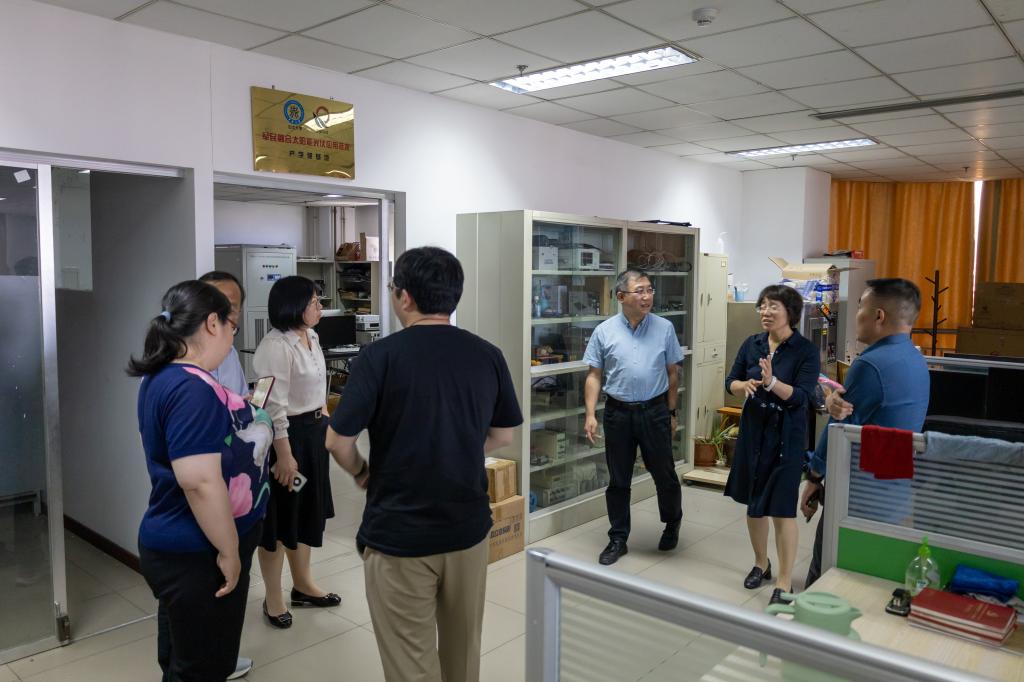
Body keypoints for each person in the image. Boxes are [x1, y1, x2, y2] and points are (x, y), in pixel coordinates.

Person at [326, 247, 522, 682]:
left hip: (400, 535)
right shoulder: (487, 354)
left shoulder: (379, 357)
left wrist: (362, 472)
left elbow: (337, 442)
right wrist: (460, 446)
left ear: (405, 297)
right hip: (467, 530)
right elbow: (504, 434)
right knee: (462, 658)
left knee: (410, 667)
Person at [128, 280, 273, 681]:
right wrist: (229, 551)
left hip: (178, 543)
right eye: (231, 327)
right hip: (198, 551)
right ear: (212, 323)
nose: (231, 337)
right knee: (203, 668)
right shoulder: (191, 388)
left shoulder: (162, 376)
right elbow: (199, 482)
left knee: (182, 658)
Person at [802, 278, 930, 587]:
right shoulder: (915, 359)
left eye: (861, 307)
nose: (857, 314)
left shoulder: (870, 365)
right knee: (864, 578)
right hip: (895, 491)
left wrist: (814, 478)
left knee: (825, 577)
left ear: (879, 316)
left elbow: (840, 428)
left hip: (858, 495)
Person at [253, 276, 339, 630]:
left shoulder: (311, 336)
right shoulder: (276, 346)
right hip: (287, 441)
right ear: (293, 306)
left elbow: (318, 388)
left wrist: (326, 421)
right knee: (280, 518)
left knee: (305, 512)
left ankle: (303, 585)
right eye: (314, 301)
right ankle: (273, 597)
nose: (320, 306)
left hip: (313, 435)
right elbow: (272, 406)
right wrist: (285, 456)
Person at [724, 284, 819, 605]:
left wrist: (772, 382)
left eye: (772, 306)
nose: (765, 311)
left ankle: (784, 581)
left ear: (790, 312)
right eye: (762, 306)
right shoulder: (752, 344)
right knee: (754, 504)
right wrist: (743, 385)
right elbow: (730, 381)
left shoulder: (805, 350)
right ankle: (760, 563)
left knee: (781, 509)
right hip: (753, 432)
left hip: (786, 436)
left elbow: (802, 397)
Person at [582, 269, 684, 566]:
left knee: (664, 474)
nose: (647, 296)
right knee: (618, 479)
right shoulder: (604, 331)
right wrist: (590, 414)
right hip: (618, 413)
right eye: (640, 290)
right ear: (621, 296)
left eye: (649, 290)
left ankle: (672, 522)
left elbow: (673, 373)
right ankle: (618, 537)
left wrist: (671, 412)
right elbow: (594, 375)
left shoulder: (664, 328)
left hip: (655, 411)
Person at [199, 270, 254, 679]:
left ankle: (218, 658)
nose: (225, 316)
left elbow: (236, 402)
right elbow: (196, 476)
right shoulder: (179, 374)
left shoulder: (229, 353)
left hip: (231, 482)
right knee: (203, 584)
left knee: (224, 587)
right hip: (206, 489)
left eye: (232, 308)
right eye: (218, 307)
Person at [200, 270, 249, 398]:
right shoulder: (179, 363)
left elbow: (241, 395)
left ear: (239, 313)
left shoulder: (231, 352)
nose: (219, 316)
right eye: (213, 306)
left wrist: (246, 405)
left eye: (230, 309)